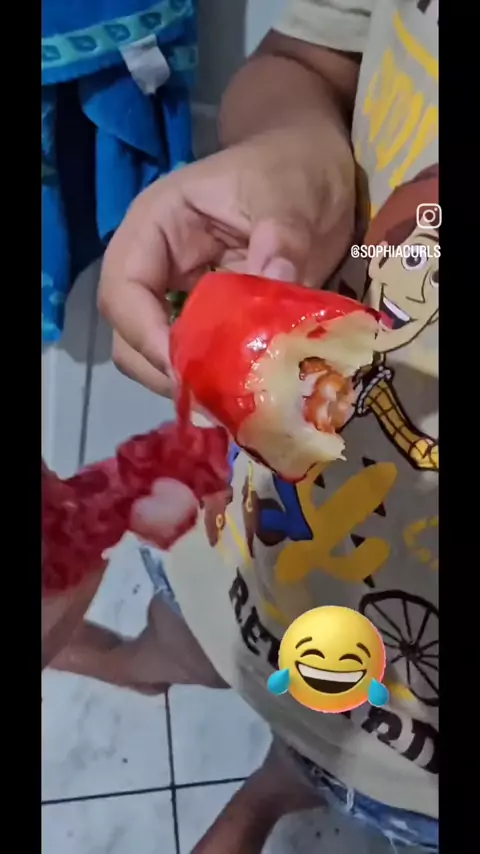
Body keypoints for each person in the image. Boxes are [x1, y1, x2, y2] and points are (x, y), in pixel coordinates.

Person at [54, 1, 439, 851]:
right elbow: (307, 59)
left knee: (332, 744)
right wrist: (298, 159)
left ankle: (268, 793)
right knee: (189, 645)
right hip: (245, 555)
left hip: (415, 753)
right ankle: (139, 667)